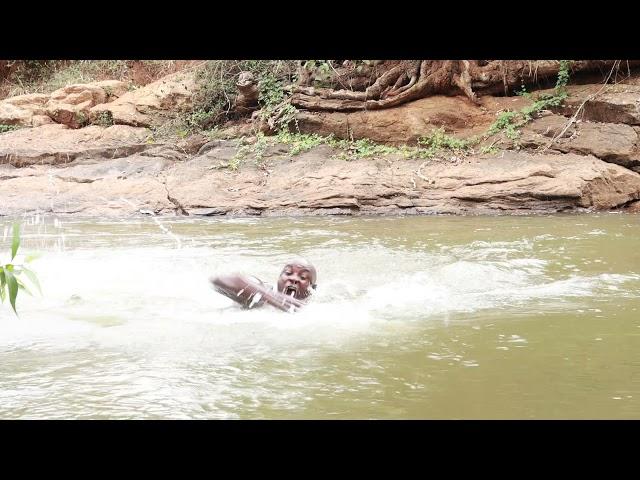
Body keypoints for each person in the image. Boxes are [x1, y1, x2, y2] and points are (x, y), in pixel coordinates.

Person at [209, 259, 317, 313]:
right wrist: (268, 296)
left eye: (303, 277)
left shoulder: (314, 307)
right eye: (288, 273)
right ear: (278, 278)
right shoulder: (262, 291)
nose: (293, 279)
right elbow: (220, 280)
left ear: (312, 288)